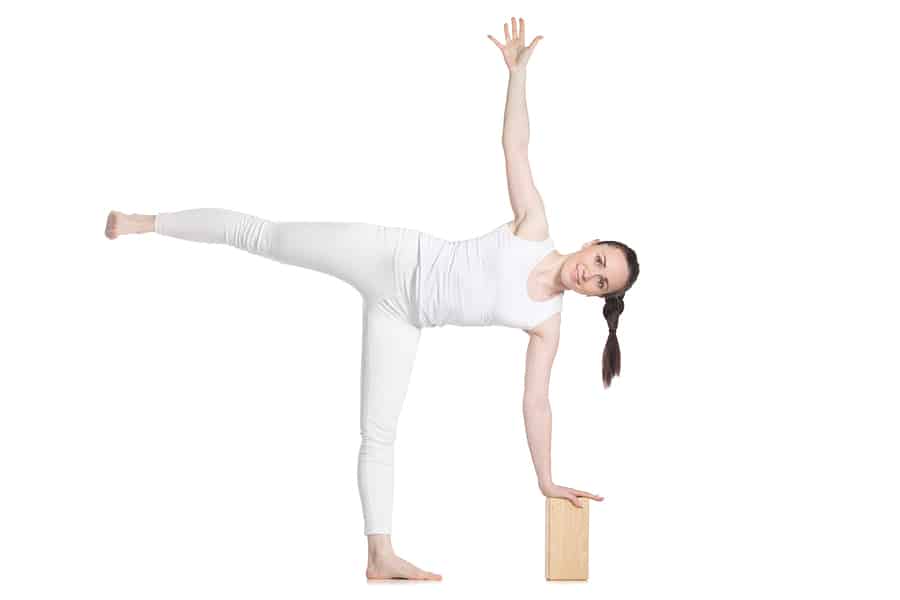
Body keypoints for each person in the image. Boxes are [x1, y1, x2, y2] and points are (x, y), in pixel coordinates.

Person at [104, 16, 640, 582]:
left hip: (404, 316)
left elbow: (536, 404)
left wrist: (546, 480)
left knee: (378, 432)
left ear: (595, 296)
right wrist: (517, 76)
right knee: (265, 236)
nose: (591, 274)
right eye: (600, 260)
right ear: (592, 243)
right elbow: (515, 144)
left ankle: (379, 556)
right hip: (389, 256)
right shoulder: (534, 226)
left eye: (601, 283)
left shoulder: (546, 324)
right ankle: (145, 221)